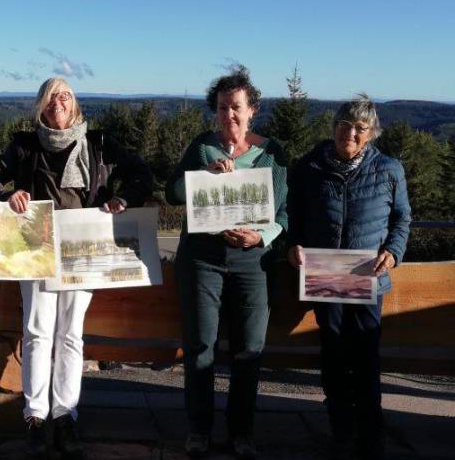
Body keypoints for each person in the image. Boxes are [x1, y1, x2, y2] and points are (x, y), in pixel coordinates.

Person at [0, 77, 153, 459]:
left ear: (74, 105)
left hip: (83, 248)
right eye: (51, 97)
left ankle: (65, 414)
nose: (58, 101)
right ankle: (36, 416)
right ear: (41, 106)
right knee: (38, 331)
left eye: (65, 95)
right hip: (35, 245)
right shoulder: (24, 145)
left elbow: (143, 175)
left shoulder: (98, 144)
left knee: (71, 334)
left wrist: (124, 198)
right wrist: (8, 195)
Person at [164, 67, 288, 459]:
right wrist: (202, 177)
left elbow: (285, 213)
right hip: (203, 259)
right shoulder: (202, 147)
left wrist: (261, 236)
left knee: (248, 348)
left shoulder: (272, 153)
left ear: (252, 109)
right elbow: (172, 192)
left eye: (236, 107)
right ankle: (199, 429)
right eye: (222, 108)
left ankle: (242, 431)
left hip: (253, 262)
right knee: (200, 345)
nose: (229, 115)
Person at [287, 94, 410, 460]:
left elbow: (402, 219)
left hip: (368, 277)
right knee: (335, 358)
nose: (351, 133)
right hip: (326, 276)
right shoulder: (309, 167)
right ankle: (341, 432)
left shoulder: (389, 168)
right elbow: (293, 214)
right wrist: (292, 245)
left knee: (367, 358)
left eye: (360, 128)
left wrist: (393, 251)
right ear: (333, 127)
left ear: (371, 134)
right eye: (345, 125)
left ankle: (372, 435)